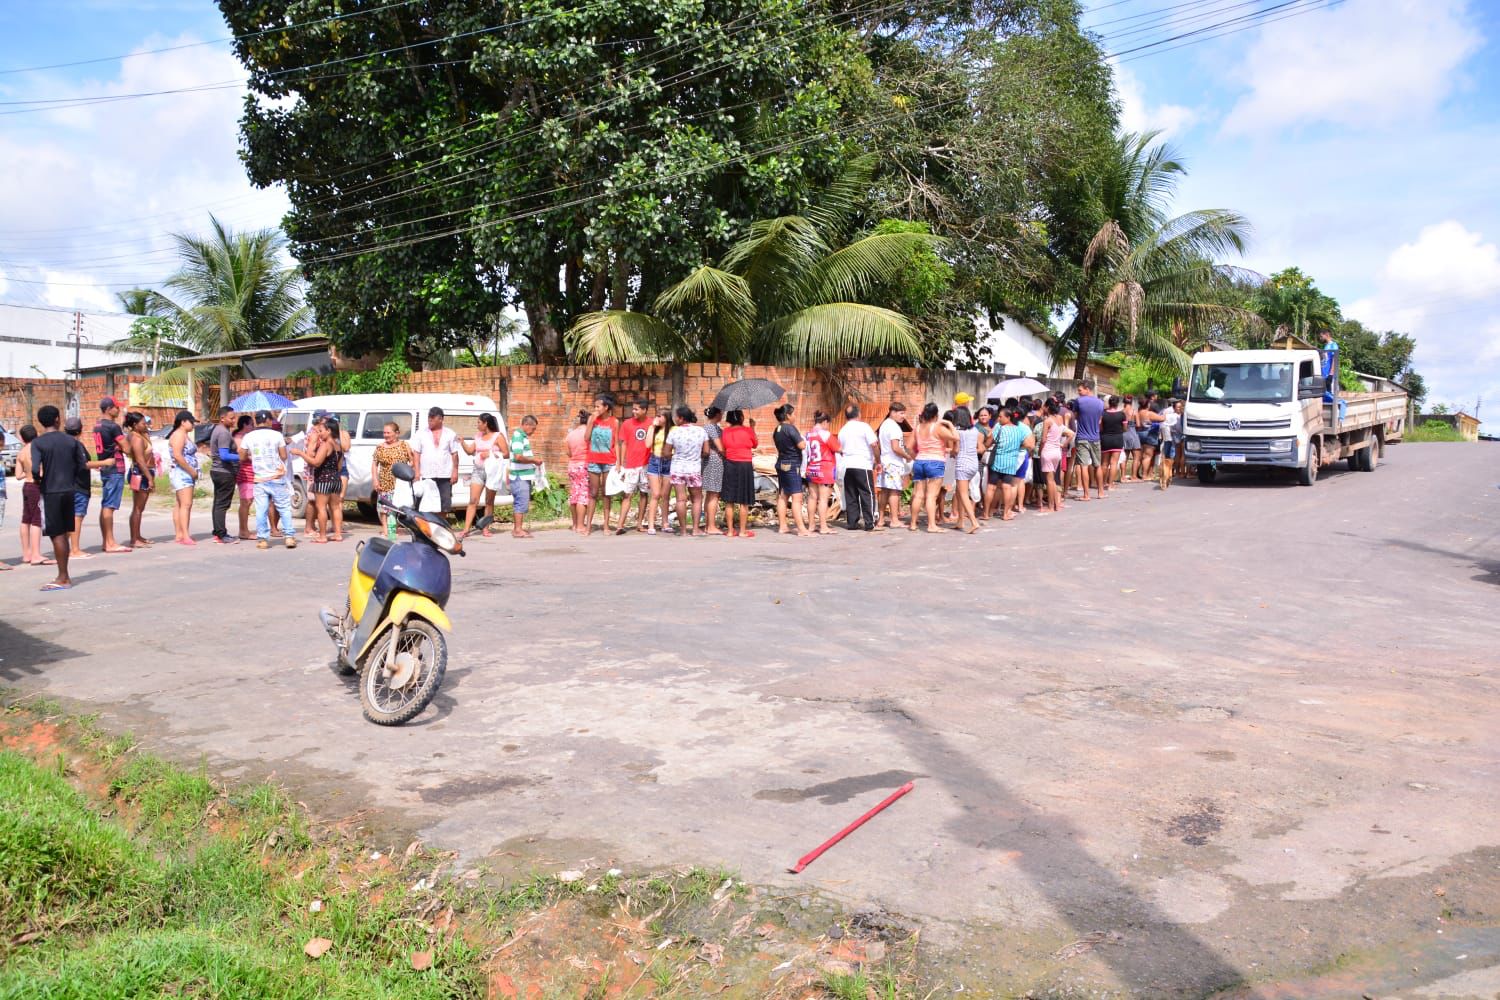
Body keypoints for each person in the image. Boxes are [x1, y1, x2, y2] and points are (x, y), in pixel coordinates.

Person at [30, 405, 92, 590]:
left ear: (41, 422)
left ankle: (63, 577)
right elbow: (82, 465)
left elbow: (35, 468)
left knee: (57, 534)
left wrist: (38, 480)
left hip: (51, 491)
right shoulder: (71, 441)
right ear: (58, 419)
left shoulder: (38, 443)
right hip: (69, 490)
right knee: (64, 533)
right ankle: (64, 575)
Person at [239, 409, 297, 550]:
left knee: (261, 509)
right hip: (277, 476)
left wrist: (254, 457)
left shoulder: (248, 437)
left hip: (259, 478)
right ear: (269, 420)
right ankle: (289, 537)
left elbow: (241, 457)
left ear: (256, 421)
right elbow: (283, 456)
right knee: (283, 508)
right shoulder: (277, 435)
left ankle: (263, 539)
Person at [64, 417, 113, 560]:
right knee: (77, 517)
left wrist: (95, 464)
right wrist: (105, 462)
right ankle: (75, 549)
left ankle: (64, 546)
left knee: (70, 518)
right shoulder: (76, 445)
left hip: (66, 485)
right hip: (78, 485)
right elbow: (84, 464)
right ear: (80, 430)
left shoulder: (63, 444)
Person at [92, 397, 132, 553]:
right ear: (108, 409)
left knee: (105, 505)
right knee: (109, 506)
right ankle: (110, 542)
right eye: (116, 407)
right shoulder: (113, 427)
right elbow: (127, 448)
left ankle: (106, 541)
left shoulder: (97, 426)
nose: (119, 410)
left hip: (104, 466)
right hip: (115, 467)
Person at [663, 405, 709, 537]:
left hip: (678, 469)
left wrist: (676, 456)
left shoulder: (674, 432)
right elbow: (706, 451)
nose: (675, 419)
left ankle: (683, 530)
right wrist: (696, 456)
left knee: (680, 500)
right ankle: (695, 529)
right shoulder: (701, 431)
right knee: (697, 499)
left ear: (681, 418)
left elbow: (666, 453)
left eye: (676, 417)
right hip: (694, 469)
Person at [909, 403, 955, 533]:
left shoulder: (917, 428)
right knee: (931, 496)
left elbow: (908, 446)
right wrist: (950, 424)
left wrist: (916, 457)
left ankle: (913, 523)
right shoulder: (937, 427)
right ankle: (931, 525)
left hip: (919, 461)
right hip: (935, 461)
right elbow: (955, 437)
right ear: (936, 415)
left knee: (918, 495)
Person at [460, 413, 508, 537]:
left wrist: (490, 454)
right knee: (473, 500)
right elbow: (470, 451)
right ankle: (466, 529)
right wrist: (462, 442)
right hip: (478, 471)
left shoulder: (498, 436)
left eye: (479, 423)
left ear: (486, 423)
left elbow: (506, 454)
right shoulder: (478, 437)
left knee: (489, 501)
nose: (477, 425)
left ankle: (486, 528)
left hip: (492, 472)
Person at [985, 408, 1035, 521]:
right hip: (1013, 461)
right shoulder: (1020, 429)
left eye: (1000, 416)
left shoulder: (999, 427)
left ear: (1008, 417)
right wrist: (1017, 446)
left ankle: (988, 512)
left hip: (997, 461)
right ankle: (1007, 513)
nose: (998, 418)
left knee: (992, 487)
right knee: (1010, 486)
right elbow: (1030, 445)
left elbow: (989, 440)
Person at [837, 404, 879, 532]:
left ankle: (852, 522)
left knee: (851, 493)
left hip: (847, 465)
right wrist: (878, 460)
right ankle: (869, 522)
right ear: (858, 414)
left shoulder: (842, 430)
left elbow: (840, 449)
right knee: (867, 493)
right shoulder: (864, 427)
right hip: (862, 464)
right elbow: (874, 444)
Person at [371, 421, 416, 540]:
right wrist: (375, 480)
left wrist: (409, 470)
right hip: (385, 481)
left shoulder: (404, 445)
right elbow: (375, 465)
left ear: (397, 433)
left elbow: (412, 461)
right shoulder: (380, 447)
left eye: (388, 433)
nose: (386, 435)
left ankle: (394, 528)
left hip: (400, 483)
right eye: (384, 433)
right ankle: (385, 529)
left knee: (396, 507)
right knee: (383, 507)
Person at [410, 406, 460, 513]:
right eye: (429, 418)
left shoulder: (450, 434)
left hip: (445, 474)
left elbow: (454, 454)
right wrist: (417, 473)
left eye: (433, 418)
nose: (430, 420)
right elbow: (416, 454)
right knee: (425, 503)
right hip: (427, 474)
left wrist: (455, 471)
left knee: (444, 504)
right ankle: (426, 528)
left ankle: (441, 527)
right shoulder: (421, 433)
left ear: (441, 419)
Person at [718, 409, 758, 538]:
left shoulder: (725, 432)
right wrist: (752, 427)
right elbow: (755, 444)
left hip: (730, 465)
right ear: (741, 418)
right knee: (743, 501)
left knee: (729, 501)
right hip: (745, 466)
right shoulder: (747, 430)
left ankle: (730, 531)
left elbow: (724, 447)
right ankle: (742, 531)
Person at [616, 401, 652, 534]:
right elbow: (623, 444)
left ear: (644, 410)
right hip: (630, 465)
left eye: (637, 409)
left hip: (646, 465)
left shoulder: (652, 424)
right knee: (627, 494)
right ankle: (620, 525)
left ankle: (639, 523)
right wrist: (621, 463)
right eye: (633, 409)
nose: (634, 412)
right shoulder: (627, 424)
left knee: (644, 494)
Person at [771, 404, 808, 536]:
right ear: (788, 415)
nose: (795, 416)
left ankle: (783, 526)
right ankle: (802, 529)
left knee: (783, 495)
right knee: (797, 497)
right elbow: (802, 445)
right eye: (793, 414)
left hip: (781, 463)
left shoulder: (778, 429)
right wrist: (803, 438)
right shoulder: (790, 428)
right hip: (792, 465)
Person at [584, 396, 618, 534]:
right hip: (594, 460)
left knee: (606, 493)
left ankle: (606, 525)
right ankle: (588, 526)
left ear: (606, 408)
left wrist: (619, 463)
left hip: (609, 460)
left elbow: (616, 443)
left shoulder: (614, 422)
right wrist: (591, 421)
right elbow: (586, 438)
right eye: (595, 406)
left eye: (598, 406)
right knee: (593, 493)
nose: (596, 409)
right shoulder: (593, 420)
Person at [16, 425, 49, 567]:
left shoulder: (21, 453)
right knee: (37, 519)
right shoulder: (38, 449)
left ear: (22, 438)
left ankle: (26, 554)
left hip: (26, 486)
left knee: (26, 519)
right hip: (36, 485)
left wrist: (27, 472)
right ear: (36, 435)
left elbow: (18, 475)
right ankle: (36, 554)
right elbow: (41, 470)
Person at [206, 406, 240, 545]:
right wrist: (241, 456)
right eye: (231, 418)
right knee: (222, 504)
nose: (234, 420)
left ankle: (218, 532)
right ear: (222, 418)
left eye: (234, 417)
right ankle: (221, 534)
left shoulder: (219, 430)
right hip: (224, 472)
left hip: (218, 471)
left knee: (218, 503)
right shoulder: (223, 433)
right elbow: (224, 455)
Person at [876, 402, 911, 529]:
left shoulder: (884, 425)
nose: (903, 416)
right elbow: (896, 447)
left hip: (885, 461)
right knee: (895, 491)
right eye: (901, 413)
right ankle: (894, 520)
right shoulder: (894, 427)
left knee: (884, 491)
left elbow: (880, 445)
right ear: (893, 412)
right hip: (894, 462)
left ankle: (880, 520)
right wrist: (907, 456)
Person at [166, 409, 199, 545]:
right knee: (186, 504)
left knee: (180, 504)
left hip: (181, 472)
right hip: (182, 472)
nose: (193, 425)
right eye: (191, 422)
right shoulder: (179, 435)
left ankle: (180, 533)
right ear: (183, 422)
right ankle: (185, 535)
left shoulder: (183, 434)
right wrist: (191, 471)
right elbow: (178, 456)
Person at [122, 412, 155, 548]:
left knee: (139, 508)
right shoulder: (136, 438)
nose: (145, 425)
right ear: (135, 425)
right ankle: (134, 539)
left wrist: (145, 429)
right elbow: (141, 461)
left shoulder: (140, 435)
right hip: (140, 473)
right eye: (142, 423)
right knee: (138, 508)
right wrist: (149, 478)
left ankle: (137, 535)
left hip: (143, 471)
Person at [1038, 399, 1073, 514]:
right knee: (1053, 480)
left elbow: (1043, 439)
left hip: (1047, 450)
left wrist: (1039, 451)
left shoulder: (1047, 421)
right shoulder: (1059, 418)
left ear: (1047, 407)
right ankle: (1056, 505)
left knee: (1050, 481)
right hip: (1057, 451)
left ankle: (1051, 506)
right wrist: (1064, 444)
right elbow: (1070, 434)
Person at [507, 415, 540, 538]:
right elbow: (518, 457)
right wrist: (533, 460)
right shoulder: (518, 436)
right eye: (533, 429)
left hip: (521, 476)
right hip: (519, 476)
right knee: (521, 502)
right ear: (526, 425)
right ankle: (518, 529)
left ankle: (518, 528)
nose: (533, 431)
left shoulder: (521, 437)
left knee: (520, 502)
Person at [950, 406, 982, 533]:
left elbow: (956, 450)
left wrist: (951, 452)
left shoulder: (957, 432)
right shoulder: (974, 430)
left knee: (963, 494)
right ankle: (960, 521)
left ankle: (974, 522)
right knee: (959, 492)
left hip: (962, 465)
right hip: (973, 463)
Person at [1072, 382, 1105, 501]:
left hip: (1082, 437)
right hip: (1095, 437)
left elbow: (1075, 416)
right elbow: (1100, 420)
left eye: (1080, 390)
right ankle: (1101, 492)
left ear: (1087, 389)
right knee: (1097, 465)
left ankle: (1086, 494)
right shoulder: (1101, 403)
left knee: (1084, 466)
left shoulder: (1079, 402)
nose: (1078, 392)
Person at [643, 406, 673, 535]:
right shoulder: (653, 429)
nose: (657, 418)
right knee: (655, 494)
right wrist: (652, 427)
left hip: (669, 461)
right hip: (655, 461)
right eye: (656, 415)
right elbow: (647, 445)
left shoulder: (673, 429)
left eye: (659, 416)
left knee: (665, 495)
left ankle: (665, 523)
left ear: (666, 418)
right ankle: (651, 524)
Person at [565, 409, 591, 534]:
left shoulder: (571, 434)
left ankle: (575, 524)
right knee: (583, 496)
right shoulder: (588, 433)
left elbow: (568, 452)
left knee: (574, 494)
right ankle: (581, 525)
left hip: (572, 466)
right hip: (584, 465)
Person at [700, 406, 725, 535]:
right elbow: (720, 447)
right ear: (717, 414)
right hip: (714, 461)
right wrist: (726, 454)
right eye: (721, 413)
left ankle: (707, 525)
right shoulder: (712, 427)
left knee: (710, 495)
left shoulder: (709, 427)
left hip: (709, 461)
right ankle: (711, 526)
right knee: (714, 494)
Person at [233, 414, 256, 539]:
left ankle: (244, 529)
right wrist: (253, 457)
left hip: (251, 470)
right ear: (245, 425)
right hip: (244, 470)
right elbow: (241, 454)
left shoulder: (247, 437)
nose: (253, 426)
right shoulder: (239, 438)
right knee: (245, 501)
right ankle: (243, 530)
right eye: (251, 424)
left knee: (249, 500)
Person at [1100, 395, 1126, 494]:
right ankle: (1110, 485)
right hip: (1117, 439)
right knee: (1114, 463)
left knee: (1104, 463)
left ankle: (1102, 484)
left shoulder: (1103, 414)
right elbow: (1125, 428)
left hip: (1105, 439)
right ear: (1117, 404)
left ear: (1109, 403)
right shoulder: (1121, 415)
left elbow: (1101, 428)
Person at [1159, 399, 1182, 489]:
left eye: (1180, 407)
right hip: (1171, 439)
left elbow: (1162, 425)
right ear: (1174, 408)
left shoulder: (1168, 415)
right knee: (1170, 458)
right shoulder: (1175, 416)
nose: (1179, 408)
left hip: (1168, 438)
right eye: (1178, 407)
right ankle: (1169, 475)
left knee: (1167, 457)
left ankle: (1167, 476)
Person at [1121, 395, 1141, 481]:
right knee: (1136, 457)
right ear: (1132, 402)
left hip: (1124, 434)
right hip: (1133, 433)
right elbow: (1138, 425)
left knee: (1124, 456)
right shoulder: (1134, 412)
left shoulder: (1121, 412)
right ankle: (1133, 476)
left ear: (1123, 402)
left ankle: (1122, 476)